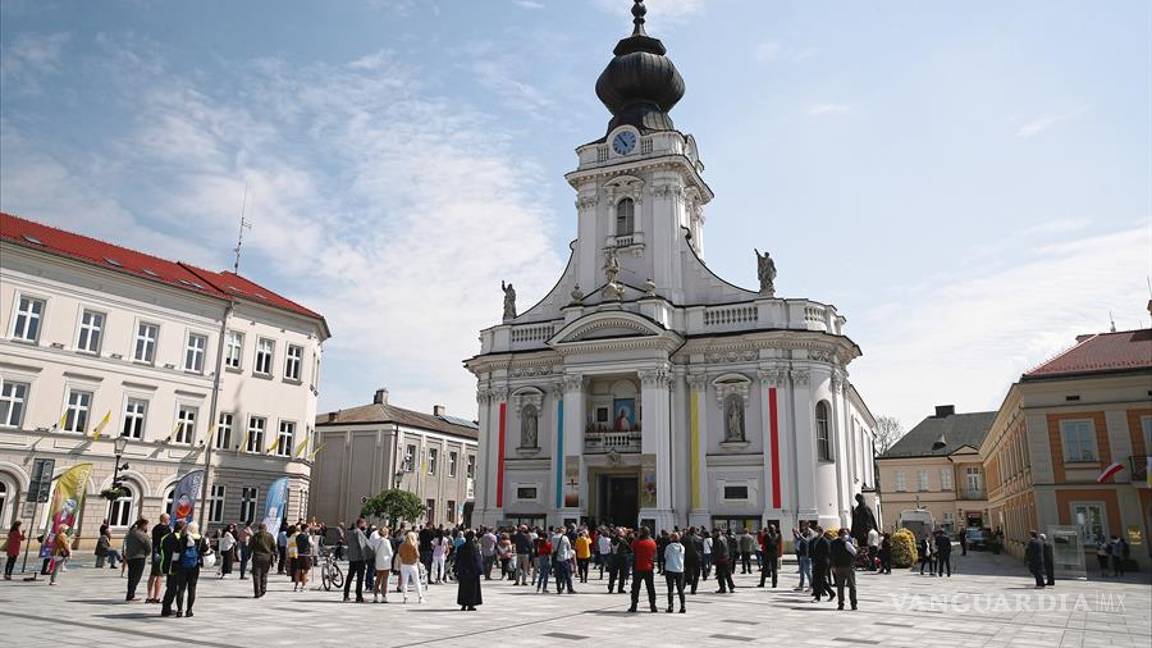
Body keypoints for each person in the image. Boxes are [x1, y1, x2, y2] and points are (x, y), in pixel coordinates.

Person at [628, 527, 658, 613]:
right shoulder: (652, 542)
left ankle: (634, 605)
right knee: (650, 587)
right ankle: (653, 606)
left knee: (636, 588)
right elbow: (655, 554)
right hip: (649, 567)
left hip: (638, 567)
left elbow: (632, 549)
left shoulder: (636, 542)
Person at [830, 528, 858, 611]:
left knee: (840, 587)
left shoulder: (833, 543)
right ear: (841, 534)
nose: (846, 535)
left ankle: (841, 604)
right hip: (848, 566)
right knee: (852, 586)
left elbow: (832, 555)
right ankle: (853, 604)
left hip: (839, 567)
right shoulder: (847, 543)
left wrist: (833, 566)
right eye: (845, 534)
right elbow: (855, 553)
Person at [124, 518, 151, 601]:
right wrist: (147, 553)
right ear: (143, 525)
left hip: (130, 557)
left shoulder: (130, 533)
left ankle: (130, 594)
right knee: (136, 577)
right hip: (139, 557)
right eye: (146, 525)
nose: (147, 527)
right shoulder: (143, 535)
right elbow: (149, 547)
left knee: (131, 576)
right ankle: (131, 595)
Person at [455, 530, 483, 611]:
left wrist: (456, 569)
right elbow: (477, 559)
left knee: (463, 588)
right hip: (473, 572)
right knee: (472, 589)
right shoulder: (475, 547)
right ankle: (471, 604)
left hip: (463, 571)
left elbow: (458, 559)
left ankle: (463, 604)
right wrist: (479, 570)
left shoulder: (461, 547)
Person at [343, 518, 369, 602]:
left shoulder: (350, 532)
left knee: (350, 576)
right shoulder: (358, 532)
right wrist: (364, 557)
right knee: (360, 578)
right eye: (364, 524)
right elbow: (362, 546)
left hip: (352, 558)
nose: (365, 525)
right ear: (361, 524)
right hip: (359, 558)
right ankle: (359, 596)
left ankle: (346, 595)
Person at [146, 513, 170, 604]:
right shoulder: (166, 529)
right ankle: (156, 597)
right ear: (165, 519)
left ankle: (149, 596)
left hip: (155, 553)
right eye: (168, 519)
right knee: (159, 576)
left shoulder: (155, 528)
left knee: (152, 574)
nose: (169, 520)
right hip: (162, 554)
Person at [249, 522, 276, 598]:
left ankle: (257, 592)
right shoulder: (270, 536)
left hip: (257, 557)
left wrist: (248, 555)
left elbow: (250, 546)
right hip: (266, 557)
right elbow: (274, 547)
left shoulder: (255, 536)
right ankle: (263, 590)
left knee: (256, 575)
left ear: (259, 528)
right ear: (265, 528)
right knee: (264, 574)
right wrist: (275, 555)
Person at [398, 531, 424, 603]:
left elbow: (400, 554)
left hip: (404, 564)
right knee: (416, 582)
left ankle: (405, 597)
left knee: (404, 582)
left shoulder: (402, 545)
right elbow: (417, 555)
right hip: (413, 565)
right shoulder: (414, 545)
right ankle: (420, 597)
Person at [369, 525, 394, 603]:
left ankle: (375, 596)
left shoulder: (376, 541)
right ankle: (384, 596)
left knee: (378, 579)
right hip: (386, 562)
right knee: (385, 580)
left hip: (378, 561)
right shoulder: (386, 541)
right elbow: (390, 553)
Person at [810, 527, 835, 603]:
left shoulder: (825, 541)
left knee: (820, 579)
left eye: (817, 531)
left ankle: (817, 597)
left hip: (823, 562)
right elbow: (811, 551)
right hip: (815, 562)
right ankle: (831, 593)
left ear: (821, 532)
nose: (815, 533)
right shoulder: (814, 540)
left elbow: (827, 553)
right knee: (818, 579)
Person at [663, 531, 686, 613]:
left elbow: (665, 556)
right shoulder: (682, 547)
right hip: (680, 569)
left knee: (670, 589)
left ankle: (670, 606)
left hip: (670, 569)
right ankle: (683, 606)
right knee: (680, 588)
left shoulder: (669, 547)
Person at [711, 528, 735, 594]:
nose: (713, 534)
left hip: (720, 559)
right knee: (727, 574)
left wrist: (715, 559)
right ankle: (731, 587)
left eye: (713, 532)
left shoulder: (717, 540)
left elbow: (717, 551)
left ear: (716, 532)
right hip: (726, 558)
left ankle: (722, 588)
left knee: (720, 575)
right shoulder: (724, 538)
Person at [682, 527, 702, 595]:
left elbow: (682, 548)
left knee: (686, 573)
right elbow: (702, 549)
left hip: (688, 557)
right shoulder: (699, 538)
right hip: (697, 558)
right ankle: (693, 589)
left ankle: (682, 588)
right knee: (696, 575)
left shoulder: (685, 538)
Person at [793, 525, 812, 591]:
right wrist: (795, 533)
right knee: (801, 571)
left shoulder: (810, 535)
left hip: (807, 555)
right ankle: (801, 585)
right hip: (801, 554)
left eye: (805, 530)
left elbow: (806, 540)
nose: (803, 531)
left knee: (807, 571)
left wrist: (799, 534)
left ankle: (811, 585)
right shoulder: (803, 534)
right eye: (803, 529)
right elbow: (798, 539)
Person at [295, 526, 312, 591]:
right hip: (306, 555)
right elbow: (312, 544)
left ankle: (296, 586)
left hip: (299, 554)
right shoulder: (308, 537)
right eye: (308, 528)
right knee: (305, 571)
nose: (308, 529)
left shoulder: (297, 536)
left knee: (298, 571)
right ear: (305, 529)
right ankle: (303, 586)